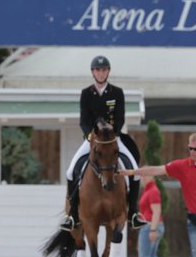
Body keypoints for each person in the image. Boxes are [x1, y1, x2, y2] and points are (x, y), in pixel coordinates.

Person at [60, 55, 147, 232]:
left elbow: (120, 118)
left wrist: (113, 134)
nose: (101, 73)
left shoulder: (117, 92)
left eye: (104, 70)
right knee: (70, 171)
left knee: (135, 171)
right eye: (98, 70)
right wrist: (90, 136)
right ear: (93, 72)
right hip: (93, 140)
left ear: (108, 71)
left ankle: (133, 214)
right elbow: (84, 120)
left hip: (113, 139)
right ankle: (73, 216)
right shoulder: (86, 93)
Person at [137, 174, 174, 257]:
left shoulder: (153, 191)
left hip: (150, 226)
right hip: (151, 225)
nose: (142, 178)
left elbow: (157, 211)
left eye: (144, 176)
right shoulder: (148, 190)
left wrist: (153, 230)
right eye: (142, 176)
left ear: (152, 177)